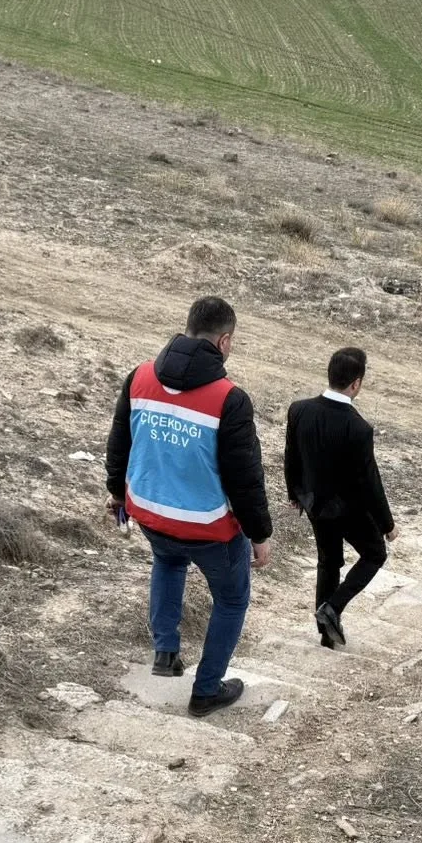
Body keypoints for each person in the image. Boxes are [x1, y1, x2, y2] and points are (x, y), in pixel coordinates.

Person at [105, 296, 273, 715]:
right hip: (209, 527)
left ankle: (165, 651)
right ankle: (206, 691)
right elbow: (245, 478)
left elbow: (119, 441)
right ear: (225, 341)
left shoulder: (139, 377)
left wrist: (115, 493)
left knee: (168, 562)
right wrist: (260, 534)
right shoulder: (229, 399)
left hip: (149, 512)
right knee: (232, 601)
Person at [284, 346, 395, 649]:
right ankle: (333, 607)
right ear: (356, 383)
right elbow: (370, 482)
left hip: (314, 504)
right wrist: (387, 524)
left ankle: (326, 634)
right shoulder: (359, 428)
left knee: (328, 561)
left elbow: (291, 455)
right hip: (348, 509)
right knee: (375, 554)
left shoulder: (299, 409)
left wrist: (294, 492)